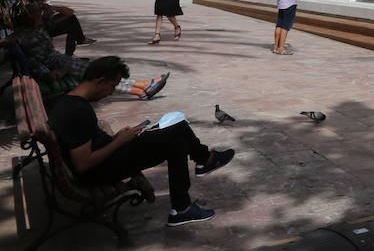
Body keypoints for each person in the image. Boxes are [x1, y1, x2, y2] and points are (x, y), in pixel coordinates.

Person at [47, 55, 234, 227]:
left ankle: (183, 207)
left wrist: (117, 137)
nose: (111, 93)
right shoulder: (77, 111)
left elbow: (87, 145)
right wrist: (119, 142)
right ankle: (204, 161)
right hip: (101, 171)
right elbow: (83, 164)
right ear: (100, 81)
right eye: (112, 86)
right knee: (178, 128)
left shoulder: (69, 102)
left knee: (176, 139)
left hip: (108, 159)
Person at [1, 5, 166, 99]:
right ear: (28, 18)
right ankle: (142, 87)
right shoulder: (22, 34)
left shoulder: (41, 26)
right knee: (96, 76)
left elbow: (69, 13)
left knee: (97, 71)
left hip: (61, 60)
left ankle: (141, 88)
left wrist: (49, 7)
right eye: (38, 13)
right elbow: (7, 44)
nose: (41, 15)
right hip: (57, 65)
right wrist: (9, 41)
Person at [29, 0, 95, 55]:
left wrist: (52, 7)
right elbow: (39, 23)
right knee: (72, 22)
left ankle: (77, 44)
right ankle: (78, 42)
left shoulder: (43, 5)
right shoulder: (35, 6)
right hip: (41, 30)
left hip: (46, 25)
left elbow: (70, 12)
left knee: (72, 20)